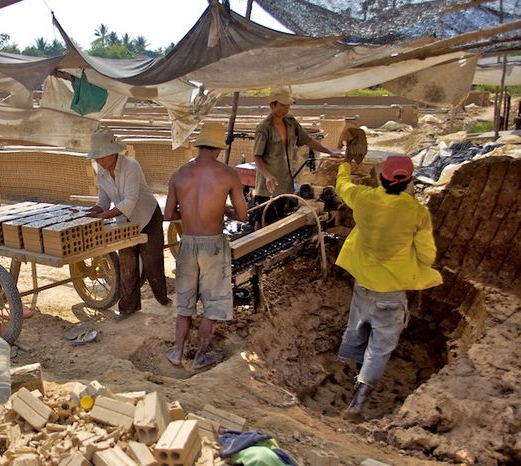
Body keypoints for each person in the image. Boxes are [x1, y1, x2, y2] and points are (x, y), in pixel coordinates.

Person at [335, 153, 443, 422]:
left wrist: (346, 164)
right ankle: (357, 406)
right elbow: (428, 256)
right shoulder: (417, 213)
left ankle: (356, 378)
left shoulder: (364, 198)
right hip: (391, 293)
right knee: (379, 348)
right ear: (409, 182)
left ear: (381, 178)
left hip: (363, 285)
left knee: (359, 331)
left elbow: (342, 186)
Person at [164, 122, 248, 369]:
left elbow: (169, 214)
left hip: (187, 243)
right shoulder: (228, 174)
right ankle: (201, 356)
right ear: (219, 149)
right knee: (213, 302)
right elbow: (243, 215)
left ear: (199, 146)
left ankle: (177, 352)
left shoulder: (179, 174)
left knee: (185, 303)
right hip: (213, 245)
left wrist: (191, 210)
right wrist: (223, 209)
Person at [86, 127, 170, 320]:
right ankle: (128, 308)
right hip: (124, 222)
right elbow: (103, 203)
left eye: (102, 156)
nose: (99, 161)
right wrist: (91, 213)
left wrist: (104, 216)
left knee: (152, 263)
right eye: (96, 157)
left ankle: (163, 299)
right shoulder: (101, 173)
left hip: (147, 217)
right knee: (127, 265)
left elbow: (130, 201)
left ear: (113, 152)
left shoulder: (131, 166)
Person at [253, 86, 335, 225]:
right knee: (267, 223)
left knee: (284, 222)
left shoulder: (291, 123)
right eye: (283, 105)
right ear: (272, 105)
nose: (287, 108)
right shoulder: (264, 128)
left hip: (286, 182)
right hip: (269, 187)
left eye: (288, 105)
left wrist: (330, 152)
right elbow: (257, 156)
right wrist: (267, 175)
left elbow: (308, 140)